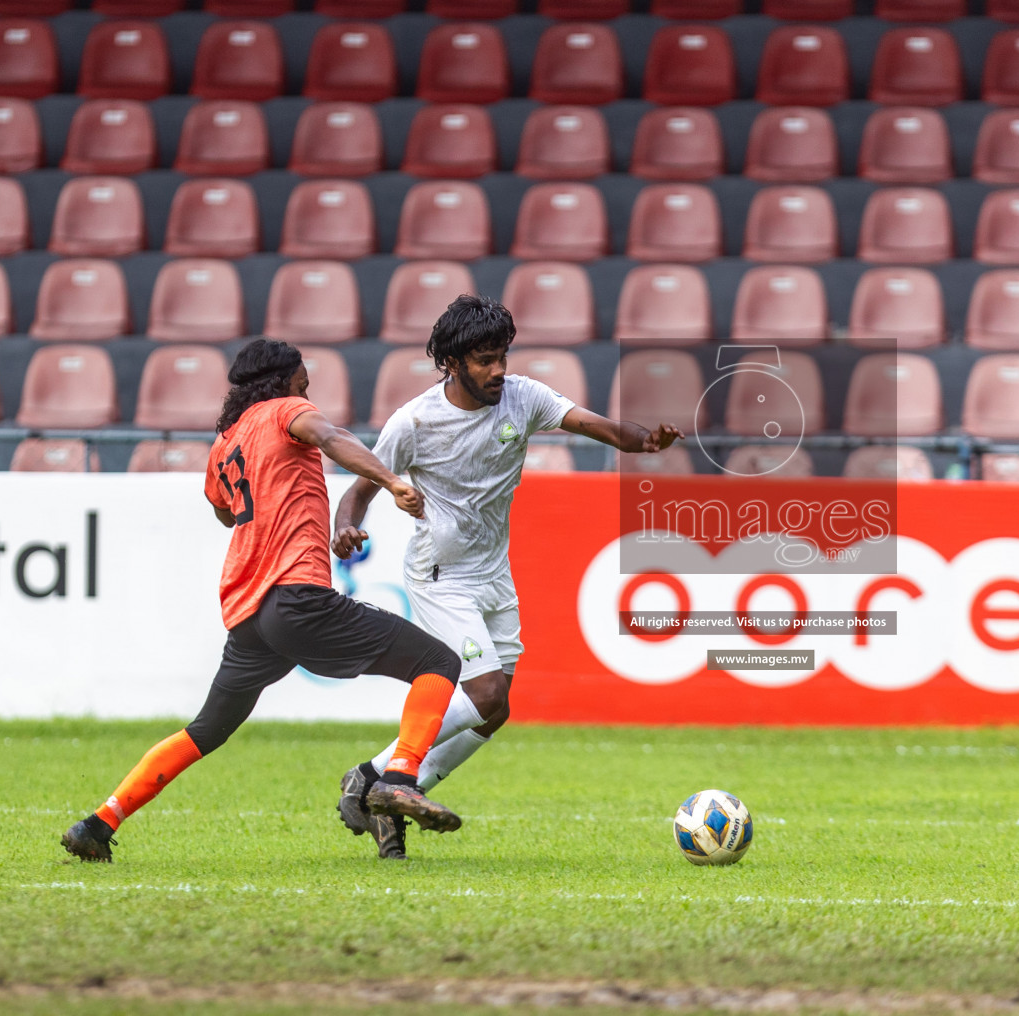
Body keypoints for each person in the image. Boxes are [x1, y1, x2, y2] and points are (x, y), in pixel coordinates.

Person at [62, 339, 466, 862]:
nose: (308, 383)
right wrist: (389, 480)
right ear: (281, 379)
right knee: (437, 661)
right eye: (302, 374)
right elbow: (330, 436)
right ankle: (399, 778)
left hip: (249, 612)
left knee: (205, 730)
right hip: (297, 595)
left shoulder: (227, 440)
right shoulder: (287, 411)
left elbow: (225, 512)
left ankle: (99, 822)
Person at [331, 295, 684, 859]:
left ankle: (388, 789)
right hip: (440, 574)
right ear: (451, 362)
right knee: (484, 690)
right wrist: (346, 527)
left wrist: (643, 440)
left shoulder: (524, 398)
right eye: (484, 360)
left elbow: (602, 428)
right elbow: (360, 489)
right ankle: (379, 780)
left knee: (497, 710)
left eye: (502, 357)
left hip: (493, 572)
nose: (498, 371)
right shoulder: (415, 422)